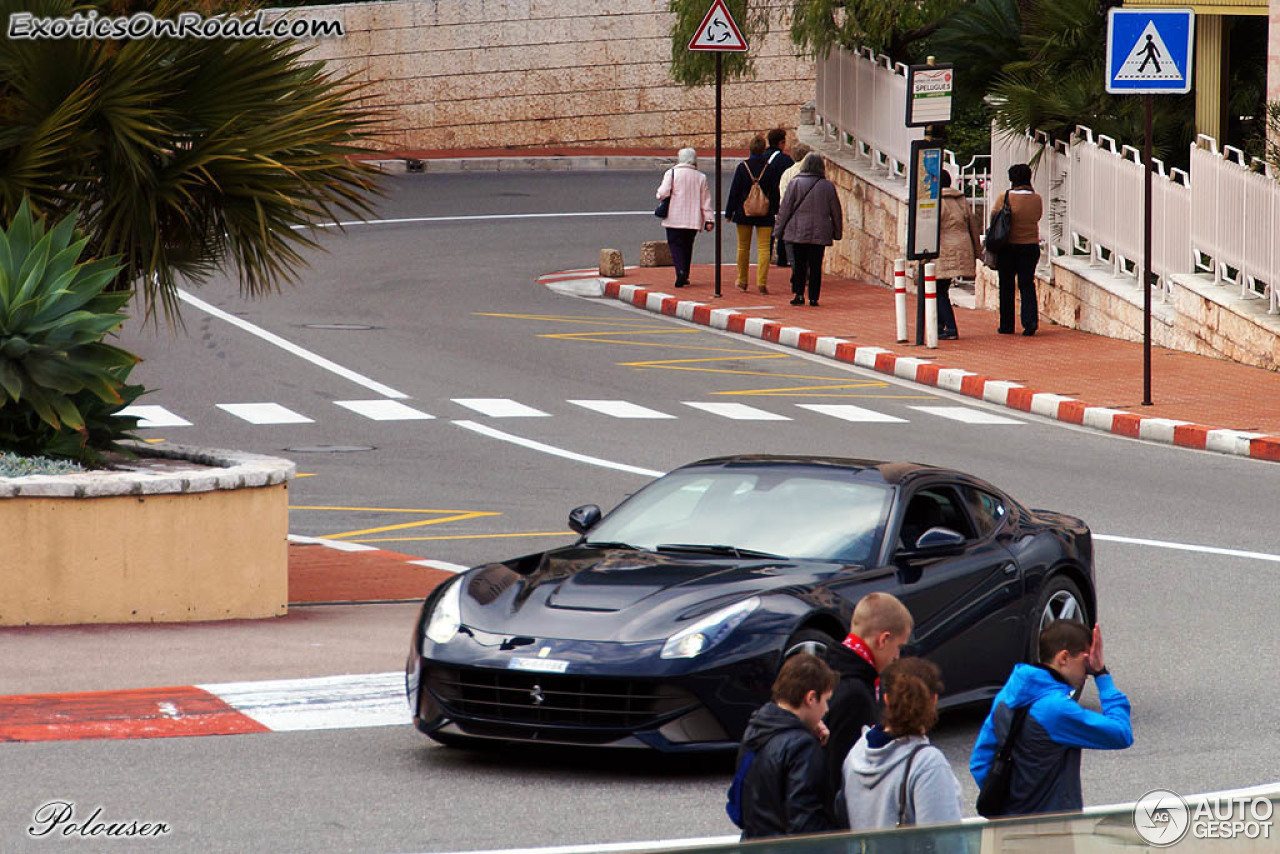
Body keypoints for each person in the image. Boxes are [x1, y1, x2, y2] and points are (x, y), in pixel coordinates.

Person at [970, 620, 1133, 817]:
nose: (1086, 672)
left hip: (1006, 827)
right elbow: (1121, 733)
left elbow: (980, 762)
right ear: (1063, 657)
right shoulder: (1056, 710)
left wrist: (1007, 801)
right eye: (1084, 662)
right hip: (1051, 829)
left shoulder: (1008, 695)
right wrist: (1102, 675)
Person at [842, 658, 964, 830]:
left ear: (886, 699)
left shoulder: (856, 754)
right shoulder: (928, 764)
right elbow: (945, 843)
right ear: (933, 700)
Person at [825, 592, 914, 816]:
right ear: (883, 639)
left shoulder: (831, 669)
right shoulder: (855, 694)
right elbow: (843, 772)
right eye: (898, 647)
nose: (897, 657)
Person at [738, 652, 840, 840]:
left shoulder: (756, 729)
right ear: (810, 698)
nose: (826, 709)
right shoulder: (803, 747)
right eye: (825, 700)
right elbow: (806, 822)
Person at [774, 153, 843, 307]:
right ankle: (813, 297)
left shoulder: (795, 183)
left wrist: (778, 231)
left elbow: (785, 209)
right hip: (820, 233)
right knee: (816, 265)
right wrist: (837, 232)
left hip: (797, 231)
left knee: (799, 264)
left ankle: (798, 294)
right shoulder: (827, 186)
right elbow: (836, 211)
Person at [989, 163, 1044, 336]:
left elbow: (994, 217)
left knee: (1006, 286)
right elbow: (1037, 216)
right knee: (1027, 284)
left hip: (1008, 247)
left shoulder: (1005, 197)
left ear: (1012, 179)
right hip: (1030, 246)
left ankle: (1007, 325)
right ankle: (1030, 322)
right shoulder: (1037, 199)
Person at [725, 135, 780, 294]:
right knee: (764, 248)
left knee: (743, 247)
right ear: (764, 150)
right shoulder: (769, 169)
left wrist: (729, 212)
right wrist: (775, 211)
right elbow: (775, 193)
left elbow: (734, 192)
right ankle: (761, 282)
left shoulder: (742, 168)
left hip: (744, 212)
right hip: (765, 213)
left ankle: (742, 280)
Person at [655, 147, 714, 288]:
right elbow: (705, 201)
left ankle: (680, 271)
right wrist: (709, 220)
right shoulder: (701, 177)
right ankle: (685, 273)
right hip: (692, 220)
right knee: (688, 246)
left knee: (675, 246)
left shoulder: (672, 173)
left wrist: (660, 195)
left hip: (674, 218)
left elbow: (662, 193)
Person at [934, 170, 981, 340]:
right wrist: (976, 251)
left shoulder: (935, 201)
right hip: (962, 247)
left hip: (943, 250)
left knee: (938, 290)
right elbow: (973, 225)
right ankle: (939, 327)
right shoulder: (960, 199)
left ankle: (951, 328)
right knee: (942, 288)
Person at [764, 128, 795, 267]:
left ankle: (766, 255)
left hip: (764, 198)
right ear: (781, 142)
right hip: (778, 198)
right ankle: (782, 258)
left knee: (766, 230)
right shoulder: (785, 160)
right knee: (782, 227)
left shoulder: (763, 156)